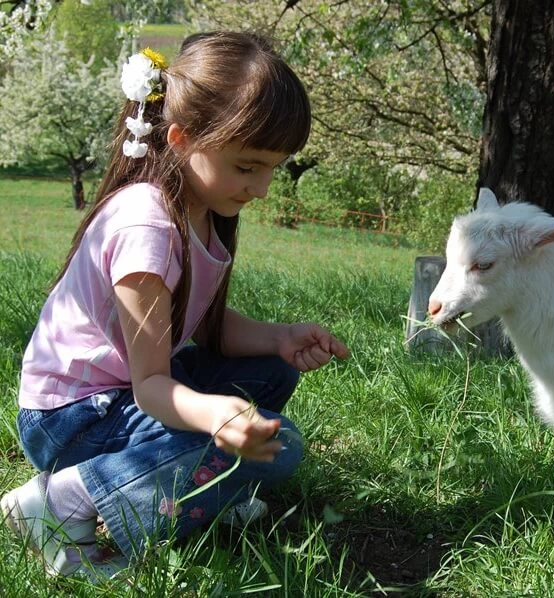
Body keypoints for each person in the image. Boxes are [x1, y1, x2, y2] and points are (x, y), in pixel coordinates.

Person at [0, 31, 349, 579]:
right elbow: (151, 385)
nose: (260, 189)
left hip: (117, 396)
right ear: (183, 138)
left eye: (272, 169)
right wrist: (215, 413)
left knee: (272, 373)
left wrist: (280, 338)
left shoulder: (204, 210)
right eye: (247, 166)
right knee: (278, 444)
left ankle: (202, 488)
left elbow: (198, 325)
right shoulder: (147, 226)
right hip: (71, 419)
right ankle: (63, 503)